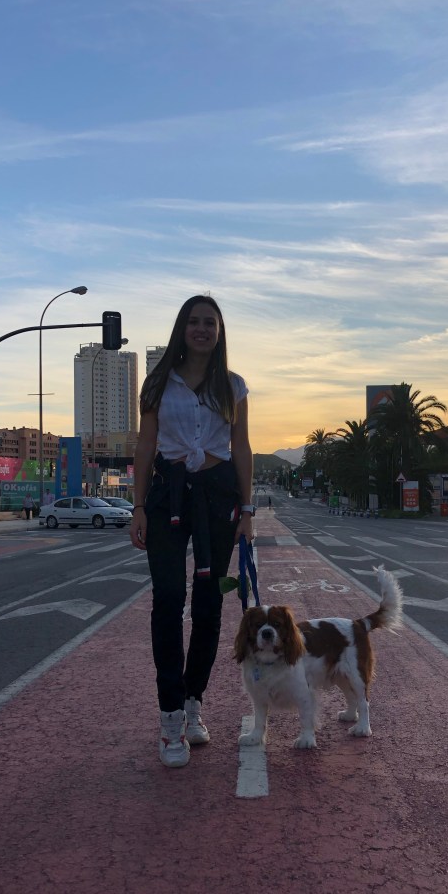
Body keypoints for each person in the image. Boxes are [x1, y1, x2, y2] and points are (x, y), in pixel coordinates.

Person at [130, 295, 254, 769]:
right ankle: (168, 718)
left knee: (209, 604)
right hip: (168, 496)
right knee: (167, 601)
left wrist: (247, 510)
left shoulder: (234, 386)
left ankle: (193, 703)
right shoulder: (158, 383)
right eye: (194, 322)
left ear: (220, 332)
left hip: (219, 498)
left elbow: (241, 449)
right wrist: (138, 507)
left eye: (211, 323)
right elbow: (144, 446)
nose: (202, 329)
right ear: (182, 328)